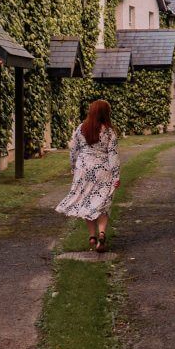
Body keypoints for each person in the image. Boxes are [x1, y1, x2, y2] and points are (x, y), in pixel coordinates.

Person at [55, 99, 120, 253]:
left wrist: (74, 168)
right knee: (102, 202)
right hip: (102, 170)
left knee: (86, 201)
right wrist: (116, 175)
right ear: (106, 113)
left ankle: (92, 236)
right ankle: (102, 233)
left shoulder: (80, 128)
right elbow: (113, 155)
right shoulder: (109, 131)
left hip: (83, 169)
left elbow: (73, 151)